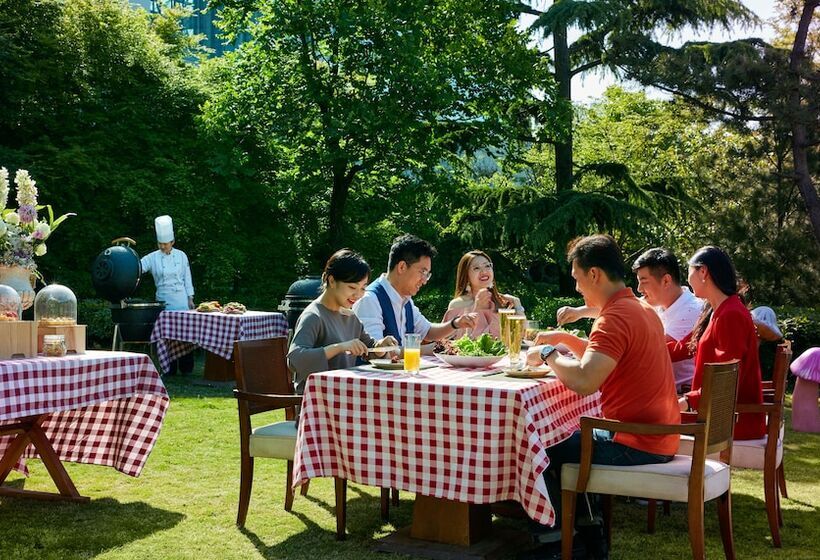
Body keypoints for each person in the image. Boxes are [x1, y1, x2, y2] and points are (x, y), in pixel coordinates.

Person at [524, 235, 679, 550]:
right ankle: (589, 531)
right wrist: (566, 338)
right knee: (563, 437)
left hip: (637, 441)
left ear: (593, 274)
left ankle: (552, 543)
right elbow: (609, 356)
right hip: (657, 435)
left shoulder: (614, 317)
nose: (578, 288)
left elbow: (585, 381)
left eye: (578, 279)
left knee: (537, 447)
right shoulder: (640, 309)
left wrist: (548, 353)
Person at [555, 247, 703, 393]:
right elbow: (625, 309)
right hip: (656, 393)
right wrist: (579, 312)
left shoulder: (691, 310)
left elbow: (644, 351)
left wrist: (553, 349)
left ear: (666, 281)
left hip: (678, 397)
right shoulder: (656, 304)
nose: (638, 288)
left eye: (644, 281)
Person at [679, 246, 766, 440]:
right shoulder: (719, 310)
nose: (687, 279)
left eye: (689, 272)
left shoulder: (731, 314)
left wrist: (685, 402)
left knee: (651, 429)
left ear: (703, 272)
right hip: (714, 414)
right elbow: (681, 348)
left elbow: (725, 382)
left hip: (730, 423)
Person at [288, 249, 398, 393]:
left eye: (363, 288)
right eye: (352, 287)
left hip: (345, 396)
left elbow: (370, 348)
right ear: (332, 280)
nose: (358, 295)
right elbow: (295, 359)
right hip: (317, 403)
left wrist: (381, 346)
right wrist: (340, 347)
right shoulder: (313, 315)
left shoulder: (350, 317)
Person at [353, 234, 477, 346]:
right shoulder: (370, 300)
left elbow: (428, 332)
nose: (425, 280)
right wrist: (432, 349)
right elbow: (376, 351)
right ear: (402, 267)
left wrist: (456, 323)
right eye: (422, 272)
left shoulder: (406, 300)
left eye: (427, 274)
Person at [141, 215, 194, 375]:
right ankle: (169, 368)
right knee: (168, 336)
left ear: (172, 242)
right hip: (163, 302)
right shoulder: (152, 257)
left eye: (165, 244)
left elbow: (187, 277)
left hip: (182, 301)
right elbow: (138, 267)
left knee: (184, 336)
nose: (163, 247)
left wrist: (190, 298)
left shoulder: (182, 255)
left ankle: (186, 368)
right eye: (160, 244)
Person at [442, 250, 524, 339]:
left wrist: (517, 304)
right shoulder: (457, 304)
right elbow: (451, 343)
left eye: (487, 266)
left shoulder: (502, 302)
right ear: (466, 275)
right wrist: (476, 308)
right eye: (476, 268)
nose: (484, 271)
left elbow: (522, 337)